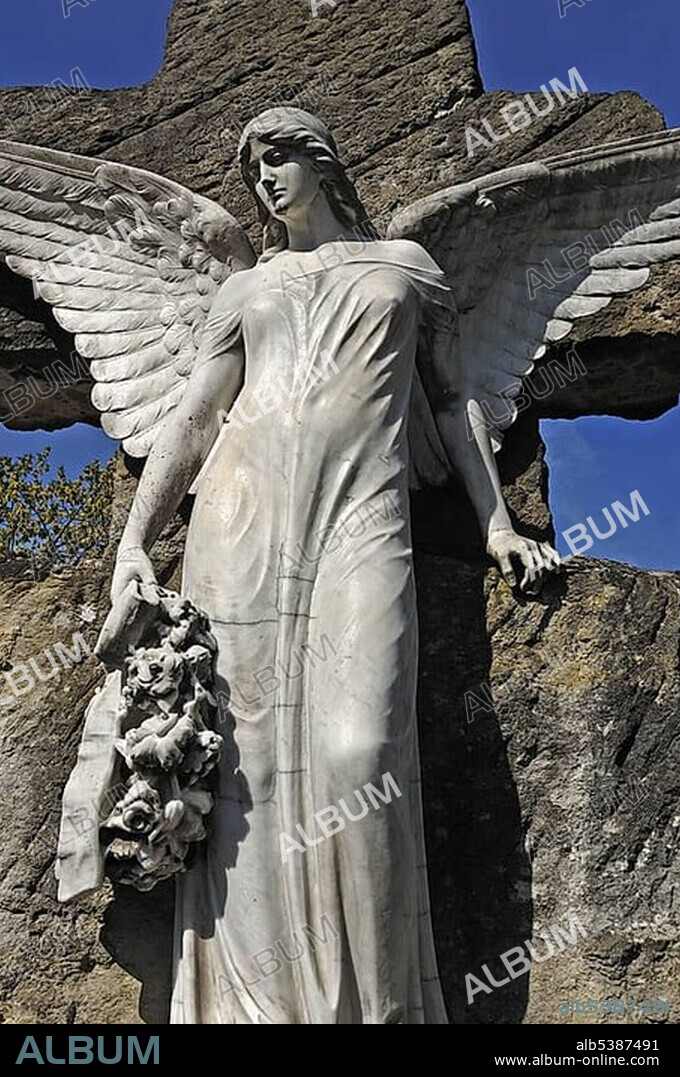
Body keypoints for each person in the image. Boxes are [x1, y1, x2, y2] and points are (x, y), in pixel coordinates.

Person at [111, 108, 558, 1024]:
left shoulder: (405, 267)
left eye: (277, 158)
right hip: (238, 524)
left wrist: (498, 525)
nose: (265, 179)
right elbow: (195, 418)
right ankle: (257, 1008)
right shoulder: (244, 288)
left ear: (321, 158)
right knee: (249, 771)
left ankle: (375, 1006)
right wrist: (131, 542)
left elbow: (450, 401)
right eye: (252, 168)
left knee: (362, 754)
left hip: (364, 514)